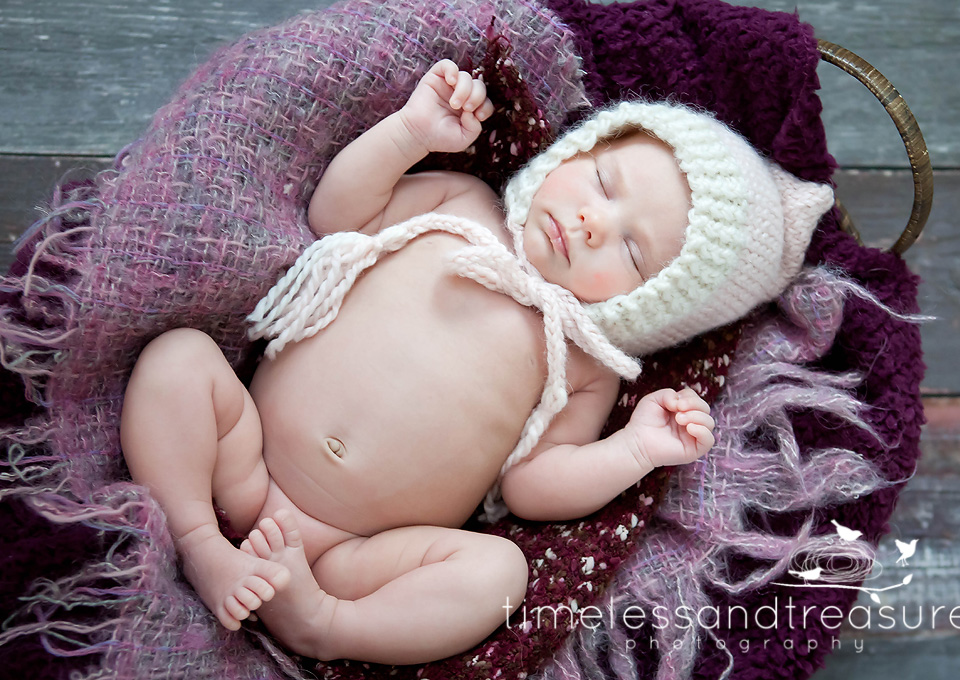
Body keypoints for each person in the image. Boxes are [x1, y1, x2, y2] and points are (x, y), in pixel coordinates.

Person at [120, 59, 833, 664]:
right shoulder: (460, 204)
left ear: (650, 307)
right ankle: (200, 541)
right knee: (179, 359)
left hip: (352, 551)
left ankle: (326, 624)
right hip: (242, 454)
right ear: (572, 153)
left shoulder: (582, 362)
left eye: (631, 250)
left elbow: (532, 486)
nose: (593, 222)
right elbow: (338, 217)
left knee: (499, 574)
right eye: (602, 182)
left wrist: (636, 450)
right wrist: (410, 133)